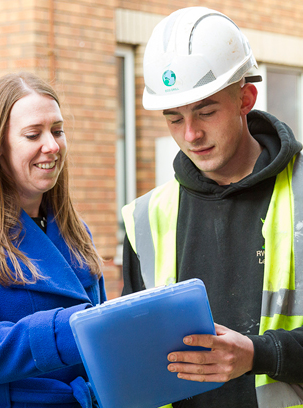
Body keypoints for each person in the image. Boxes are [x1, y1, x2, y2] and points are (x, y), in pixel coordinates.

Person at [122, 7, 303, 408]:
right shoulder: (146, 217)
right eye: (174, 119)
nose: (191, 134)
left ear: (246, 98)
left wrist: (260, 354)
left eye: (206, 111)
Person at [0, 72, 106, 408]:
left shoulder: (76, 231)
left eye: (57, 131)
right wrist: (70, 328)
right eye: (33, 134)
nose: (52, 145)